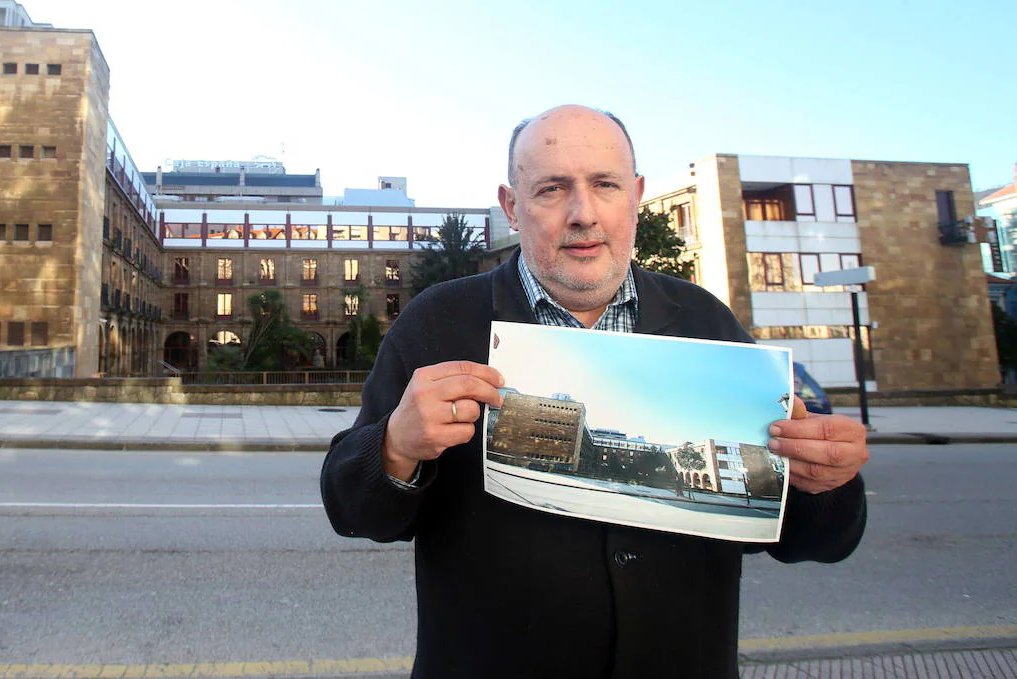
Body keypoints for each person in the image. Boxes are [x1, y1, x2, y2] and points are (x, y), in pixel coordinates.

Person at [320, 105, 869, 679]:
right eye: (552, 189)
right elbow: (354, 512)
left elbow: (809, 539)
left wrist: (824, 484)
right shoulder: (438, 322)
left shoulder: (706, 321)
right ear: (513, 206)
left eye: (604, 185)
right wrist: (394, 448)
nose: (583, 214)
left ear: (634, 195)